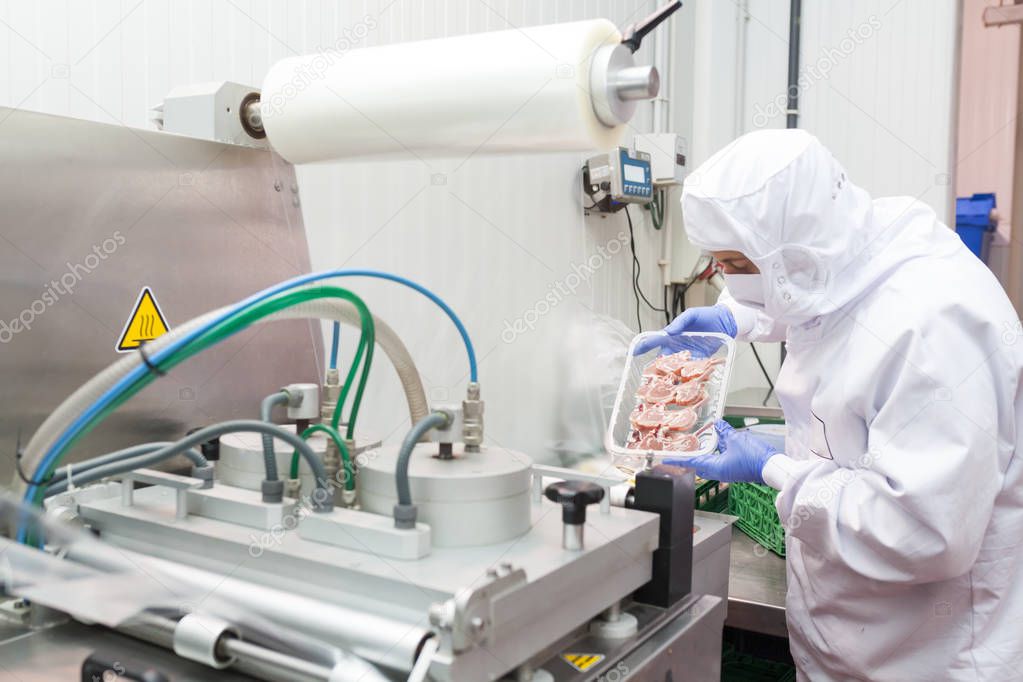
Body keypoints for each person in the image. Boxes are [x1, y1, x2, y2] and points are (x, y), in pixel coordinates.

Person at [636, 129, 1023, 680]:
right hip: (845, 638)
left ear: (789, 256)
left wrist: (769, 465)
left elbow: (921, 533)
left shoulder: (935, 329)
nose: (726, 277)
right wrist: (734, 318)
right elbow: (816, 300)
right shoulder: (853, 245)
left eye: (733, 264)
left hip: (927, 658)